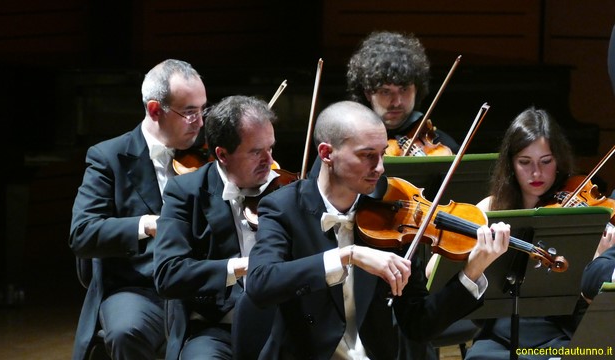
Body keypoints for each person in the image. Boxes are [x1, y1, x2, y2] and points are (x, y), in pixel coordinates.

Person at [245, 100, 510, 359]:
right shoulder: (283, 208)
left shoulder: (392, 216)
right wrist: (347, 255)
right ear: (327, 154)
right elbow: (260, 282)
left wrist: (471, 271)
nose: (380, 167)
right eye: (367, 155)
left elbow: (418, 324)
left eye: (382, 153)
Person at [69, 59, 208, 360]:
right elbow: (82, 233)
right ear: (155, 110)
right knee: (126, 331)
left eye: (202, 110)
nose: (200, 123)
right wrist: (147, 224)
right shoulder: (109, 158)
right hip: (140, 288)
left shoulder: (208, 155)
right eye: (189, 113)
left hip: (202, 283)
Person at [463, 107, 608, 359]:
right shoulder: (490, 208)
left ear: (558, 161)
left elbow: (596, 307)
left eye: (546, 161)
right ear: (510, 163)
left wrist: (600, 261)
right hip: (499, 334)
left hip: (561, 333)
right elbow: (436, 272)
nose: (537, 174)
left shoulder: (580, 213)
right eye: (524, 162)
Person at [153, 95, 283, 360]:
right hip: (218, 328)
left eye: (271, 149)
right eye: (256, 152)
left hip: (280, 326)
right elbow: (168, 274)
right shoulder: (185, 193)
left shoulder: (286, 190)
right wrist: (244, 266)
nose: (269, 162)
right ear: (222, 154)